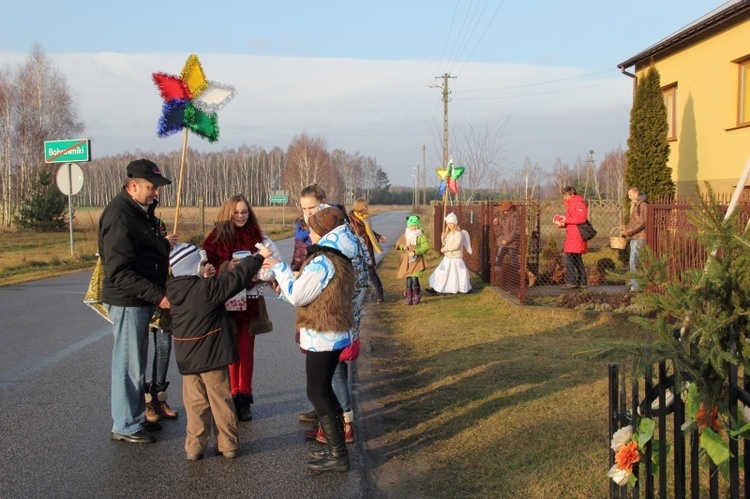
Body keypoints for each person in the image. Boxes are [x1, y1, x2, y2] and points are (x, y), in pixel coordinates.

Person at [262, 205, 357, 472]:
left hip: (322, 334)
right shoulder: (337, 256)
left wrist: (279, 268)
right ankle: (335, 450)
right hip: (331, 332)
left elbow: (299, 296)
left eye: (312, 228)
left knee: (317, 391)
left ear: (323, 232)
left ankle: (338, 454)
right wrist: (283, 288)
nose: (308, 232)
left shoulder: (324, 261)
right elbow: (311, 295)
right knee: (324, 389)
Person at [167, 242, 273, 461]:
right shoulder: (208, 289)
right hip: (212, 356)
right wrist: (259, 257)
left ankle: (194, 447)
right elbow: (237, 278)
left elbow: (195, 292)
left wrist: (203, 277)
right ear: (192, 266)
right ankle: (228, 444)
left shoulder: (174, 290)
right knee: (221, 401)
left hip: (187, 360)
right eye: (200, 263)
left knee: (195, 404)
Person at [98, 158, 172, 444]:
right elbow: (119, 271)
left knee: (136, 362)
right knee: (128, 363)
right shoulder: (120, 216)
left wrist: (165, 245)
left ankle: (137, 417)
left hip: (139, 300)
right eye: (151, 187)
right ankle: (126, 423)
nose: (156, 193)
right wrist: (158, 295)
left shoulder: (139, 211)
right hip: (129, 300)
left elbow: (144, 249)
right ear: (133, 186)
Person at [295, 185, 366, 445]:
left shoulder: (338, 242)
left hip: (334, 317)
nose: (307, 214)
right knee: (327, 376)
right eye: (304, 209)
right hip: (330, 314)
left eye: (312, 208)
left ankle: (342, 424)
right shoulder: (334, 236)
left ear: (324, 206)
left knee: (332, 371)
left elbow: (355, 279)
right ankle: (329, 417)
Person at [202, 194, 279, 422]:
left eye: (244, 211)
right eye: (236, 212)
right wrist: (227, 266)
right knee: (228, 352)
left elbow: (274, 262)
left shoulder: (258, 236)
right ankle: (229, 396)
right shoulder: (214, 238)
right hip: (223, 303)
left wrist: (258, 273)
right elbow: (205, 266)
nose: (240, 216)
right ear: (228, 213)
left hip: (250, 302)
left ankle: (243, 397)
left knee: (245, 352)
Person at [144, 219, 179, 424]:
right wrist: (161, 243)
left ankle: (158, 395)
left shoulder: (157, 222)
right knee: (139, 350)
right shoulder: (132, 223)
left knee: (164, 347)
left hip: (164, 293)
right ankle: (144, 400)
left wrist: (172, 248)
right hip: (142, 294)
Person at [348, 198, 386, 303]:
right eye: (365, 206)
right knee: (355, 274)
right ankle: (352, 298)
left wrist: (378, 237)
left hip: (367, 249)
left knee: (371, 272)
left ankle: (380, 294)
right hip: (356, 250)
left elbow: (369, 232)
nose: (367, 208)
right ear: (360, 207)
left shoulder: (366, 218)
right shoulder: (350, 219)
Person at [426, 212, 472, 294]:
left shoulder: (459, 233)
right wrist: (443, 238)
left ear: (455, 223)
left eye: (451, 223)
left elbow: (456, 246)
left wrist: (445, 249)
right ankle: (436, 287)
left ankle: (463, 288)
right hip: (448, 257)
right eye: (448, 224)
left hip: (456, 258)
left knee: (458, 274)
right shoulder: (449, 234)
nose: (450, 225)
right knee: (441, 272)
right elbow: (445, 244)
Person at [555, 186, 588, 289]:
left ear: (572, 194)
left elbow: (581, 218)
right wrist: (563, 222)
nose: (564, 197)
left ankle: (572, 281)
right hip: (573, 234)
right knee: (576, 258)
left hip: (576, 235)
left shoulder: (579, 203)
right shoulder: (573, 204)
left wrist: (566, 220)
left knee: (569, 257)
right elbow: (573, 219)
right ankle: (582, 282)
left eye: (566, 195)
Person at [395, 215, 430, 305]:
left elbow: (425, 247)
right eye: (411, 225)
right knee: (409, 279)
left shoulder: (421, 236)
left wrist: (415, 252)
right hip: (407, 260)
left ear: (417, 225)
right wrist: (403, 247)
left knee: (414, 277)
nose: (413, 227)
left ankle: (417, 295)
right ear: (408, 226)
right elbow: (399, 243)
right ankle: (409, 298)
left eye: (415, 225)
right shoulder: (405, 235)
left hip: (416, 260)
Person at [620, 187, 648, 292]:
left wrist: (629, 231)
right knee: (634, 261)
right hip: (636, 237)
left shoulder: (642, 205)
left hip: (640, 237)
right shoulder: (637, 205)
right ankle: (636, 283)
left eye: (630, 194)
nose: (629, 197)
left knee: (635, 261)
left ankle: (636, 285)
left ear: (636, 194)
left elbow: (642, 222)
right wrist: (626, 227)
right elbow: (635, 222)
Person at [492, 201, 521, 269]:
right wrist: (496, 224)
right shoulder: (504, 217)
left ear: (509, 209)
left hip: (512, 243)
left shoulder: (515, 216)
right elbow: (499, 231)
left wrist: (507, 240)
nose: (504, 211)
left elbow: (516, 231)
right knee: (498, 260)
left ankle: (518, 276)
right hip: (504, 242)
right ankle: (498, 276)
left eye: (505, 209)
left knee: (514, 263)